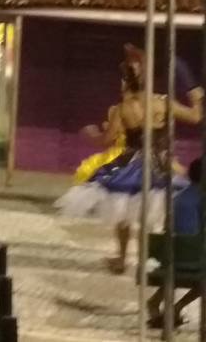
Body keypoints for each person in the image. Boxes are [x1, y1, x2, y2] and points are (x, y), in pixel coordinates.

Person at [56, 45, 203, 274]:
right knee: (150, 213)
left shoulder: (122, 109)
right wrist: (196, 95)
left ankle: (122, 259)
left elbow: (106, 139)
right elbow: (195, 116)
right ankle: (146, 260)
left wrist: (90, 133)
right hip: (160, 163)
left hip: (129, 163)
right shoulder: (162, 102)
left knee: (123, 212)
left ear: (125, 81)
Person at [146, 157, 202, 329]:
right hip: (193, 257)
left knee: (180, 261)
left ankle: (156, 302)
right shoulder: (202, 199)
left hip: (171, 256)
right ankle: (177, 307)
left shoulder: (179, 197)